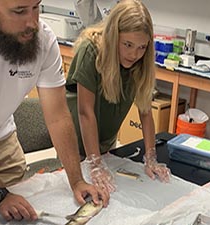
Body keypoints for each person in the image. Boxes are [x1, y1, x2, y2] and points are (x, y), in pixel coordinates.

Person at [0, 0, 109, 221]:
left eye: (36, 7)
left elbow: (58, 117)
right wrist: (0, 193)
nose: (33, 22)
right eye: (20, 11)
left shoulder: (41, 39)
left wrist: (77, 180)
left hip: (2, 142)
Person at [66, 0, 170, 190]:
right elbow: (85, 112)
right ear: (114, 36)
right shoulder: (91, 51)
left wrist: (151, 157)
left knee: (110, 192)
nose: (134, 54)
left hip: (105, 142)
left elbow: (145, 112)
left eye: (142, 47)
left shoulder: (140, 63)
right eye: (128, 44)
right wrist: (95, 164)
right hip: (76, 141)